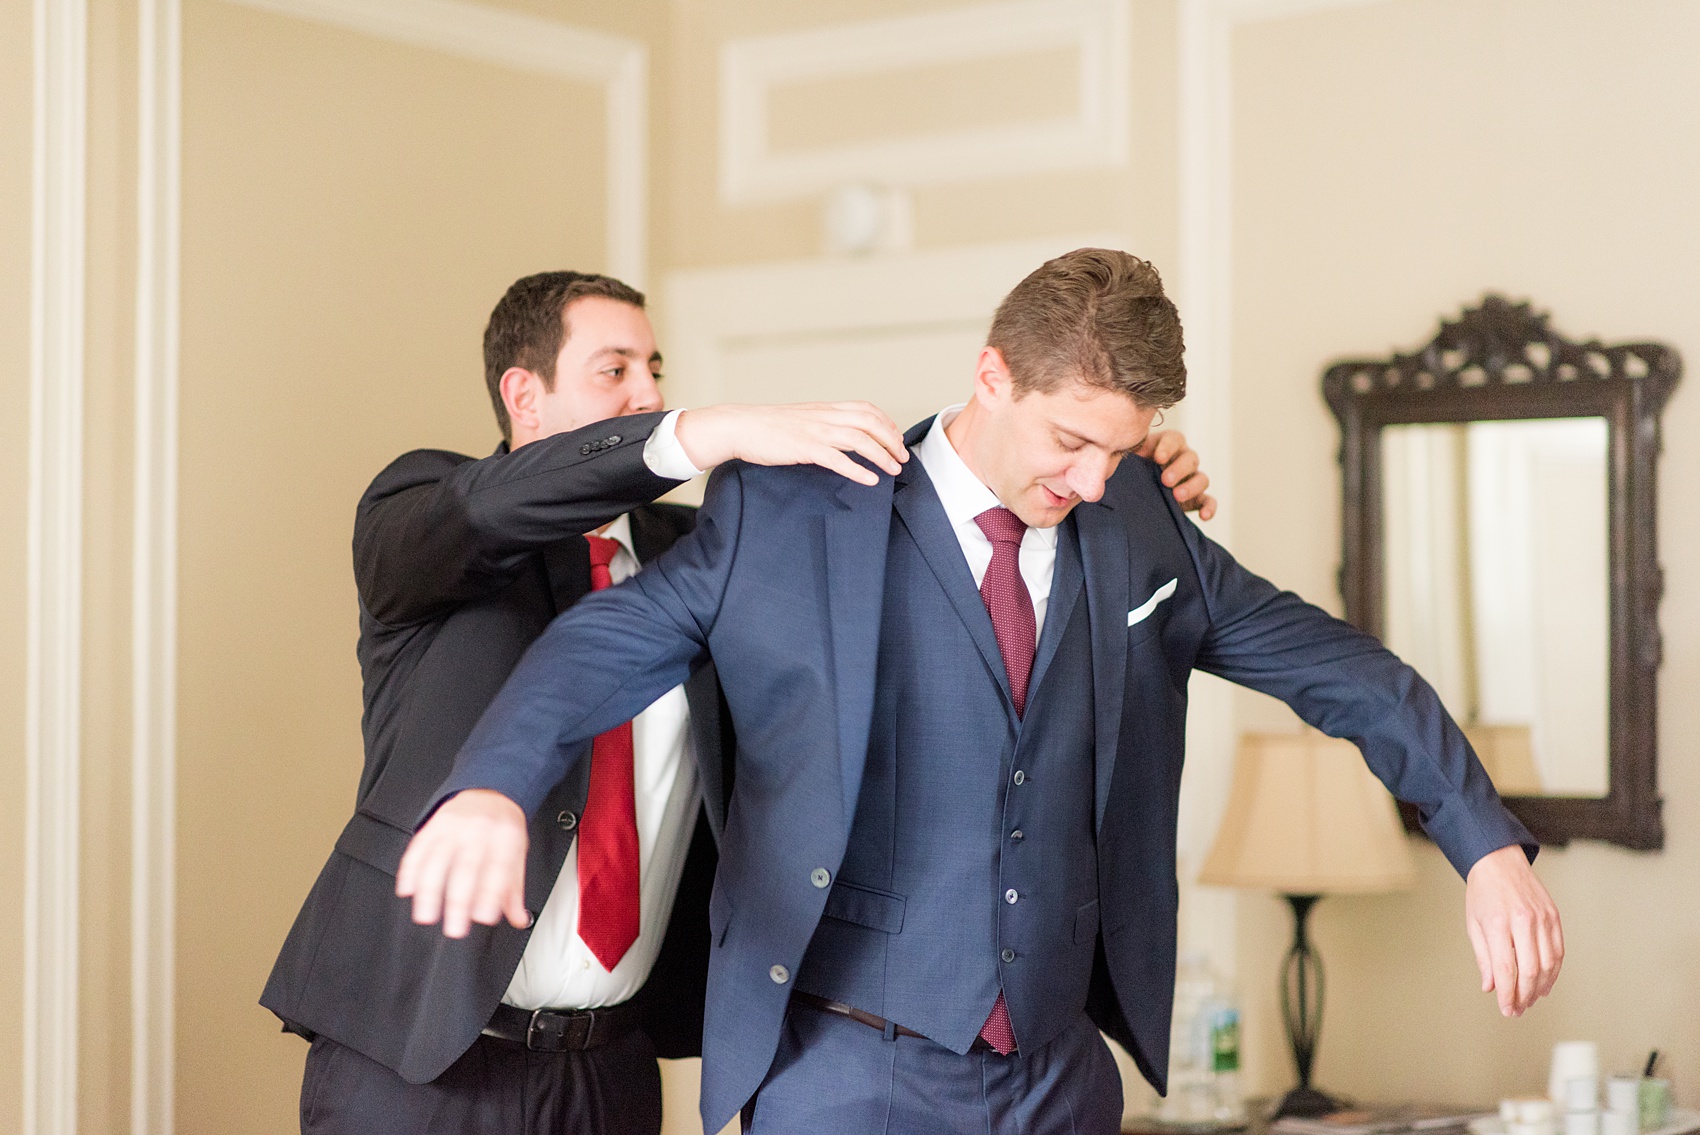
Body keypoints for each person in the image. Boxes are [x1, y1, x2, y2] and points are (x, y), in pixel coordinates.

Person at [396, 249, 1561, 1135]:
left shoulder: (1136, 524)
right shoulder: (796, 516)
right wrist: (494, 785)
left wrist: (1483, 844)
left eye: (1120, 448)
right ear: (990, 375)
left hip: (1059, 1075)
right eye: (1069, 440)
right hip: (845, 1077)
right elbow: (602, 642)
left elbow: (1340, 669)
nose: (1091, 477)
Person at [262, 268, 1218, 1135]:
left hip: (615, 1066)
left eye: (656, 367)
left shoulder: (704, 549)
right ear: (525, 394)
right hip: (415, 1059)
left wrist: (1124, 479)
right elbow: (487, 507)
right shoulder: (425, 520)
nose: (647, 391)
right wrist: (703, 433)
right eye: (614, 369)